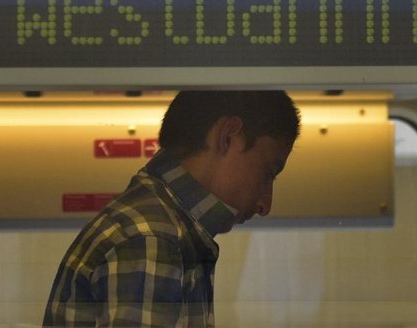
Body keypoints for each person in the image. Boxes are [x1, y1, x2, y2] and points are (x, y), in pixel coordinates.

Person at [43, 91, 301, 327]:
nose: (265, 204)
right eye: (268, 172)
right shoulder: (152, 240)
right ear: (228, 137)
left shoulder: (159, 225)